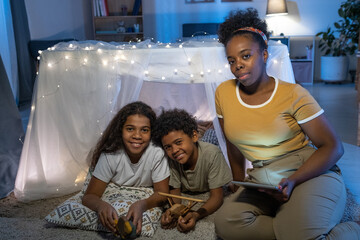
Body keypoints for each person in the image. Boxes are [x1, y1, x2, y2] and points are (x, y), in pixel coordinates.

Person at [214, 8, 360, 240]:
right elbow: (231, 144)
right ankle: (291, 227)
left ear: (264, 55)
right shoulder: (224, 92)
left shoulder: (293, 94)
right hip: (264, 177)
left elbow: (333, 147)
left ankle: (352, 230)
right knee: (226, 224)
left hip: (308, 170)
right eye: (231, 60)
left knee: (295, 232)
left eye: (245, 56)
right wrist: (239, 181)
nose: (237, 65)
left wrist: (293, 180)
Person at [82, 101, 170, 236]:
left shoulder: (156, 153)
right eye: (130, 129)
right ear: (120, 130)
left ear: (152, 132)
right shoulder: (111, 154)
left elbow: (163, 194)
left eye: (144, 130)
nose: (137, 135)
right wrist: (101, 206)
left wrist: (142, 205)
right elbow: (89, 196)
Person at [152, 109, 232, 233]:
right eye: (168, 147)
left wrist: (196, 214)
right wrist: (174, 212)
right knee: (202, 137)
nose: (174, 150)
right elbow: (175, 193)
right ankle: (203, 127)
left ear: (194, 136)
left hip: (205, 145)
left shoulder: (212, 154)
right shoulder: (172, 159)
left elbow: (217, 197)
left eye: (178, 142)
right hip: (193, 147)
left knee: (212, 134)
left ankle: (207, 126)